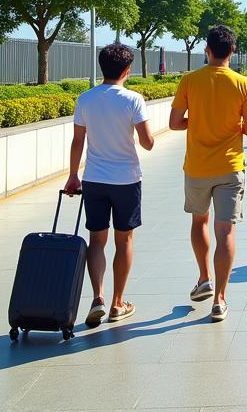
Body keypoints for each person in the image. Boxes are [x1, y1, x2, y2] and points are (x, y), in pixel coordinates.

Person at [169, 24, 247, 323]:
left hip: (197, 166)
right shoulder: (242, 83)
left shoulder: (189, 81)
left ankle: (204, 277)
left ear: (206, 50)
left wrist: (198, 121)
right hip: (231, 167)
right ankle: (220, 299)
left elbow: (174, 123)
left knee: (199, 221)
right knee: (226, 231)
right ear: (232, 51)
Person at [64, 43, 154, 328]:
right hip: (126, 179)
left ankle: (98, 297)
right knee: (124, 239)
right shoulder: (133, 100)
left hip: (94, 179)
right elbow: (148, 143)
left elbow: (78, 141)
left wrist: (72, 175)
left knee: (97, 240)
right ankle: (118, 303)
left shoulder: (86, 99)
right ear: (128, 70)